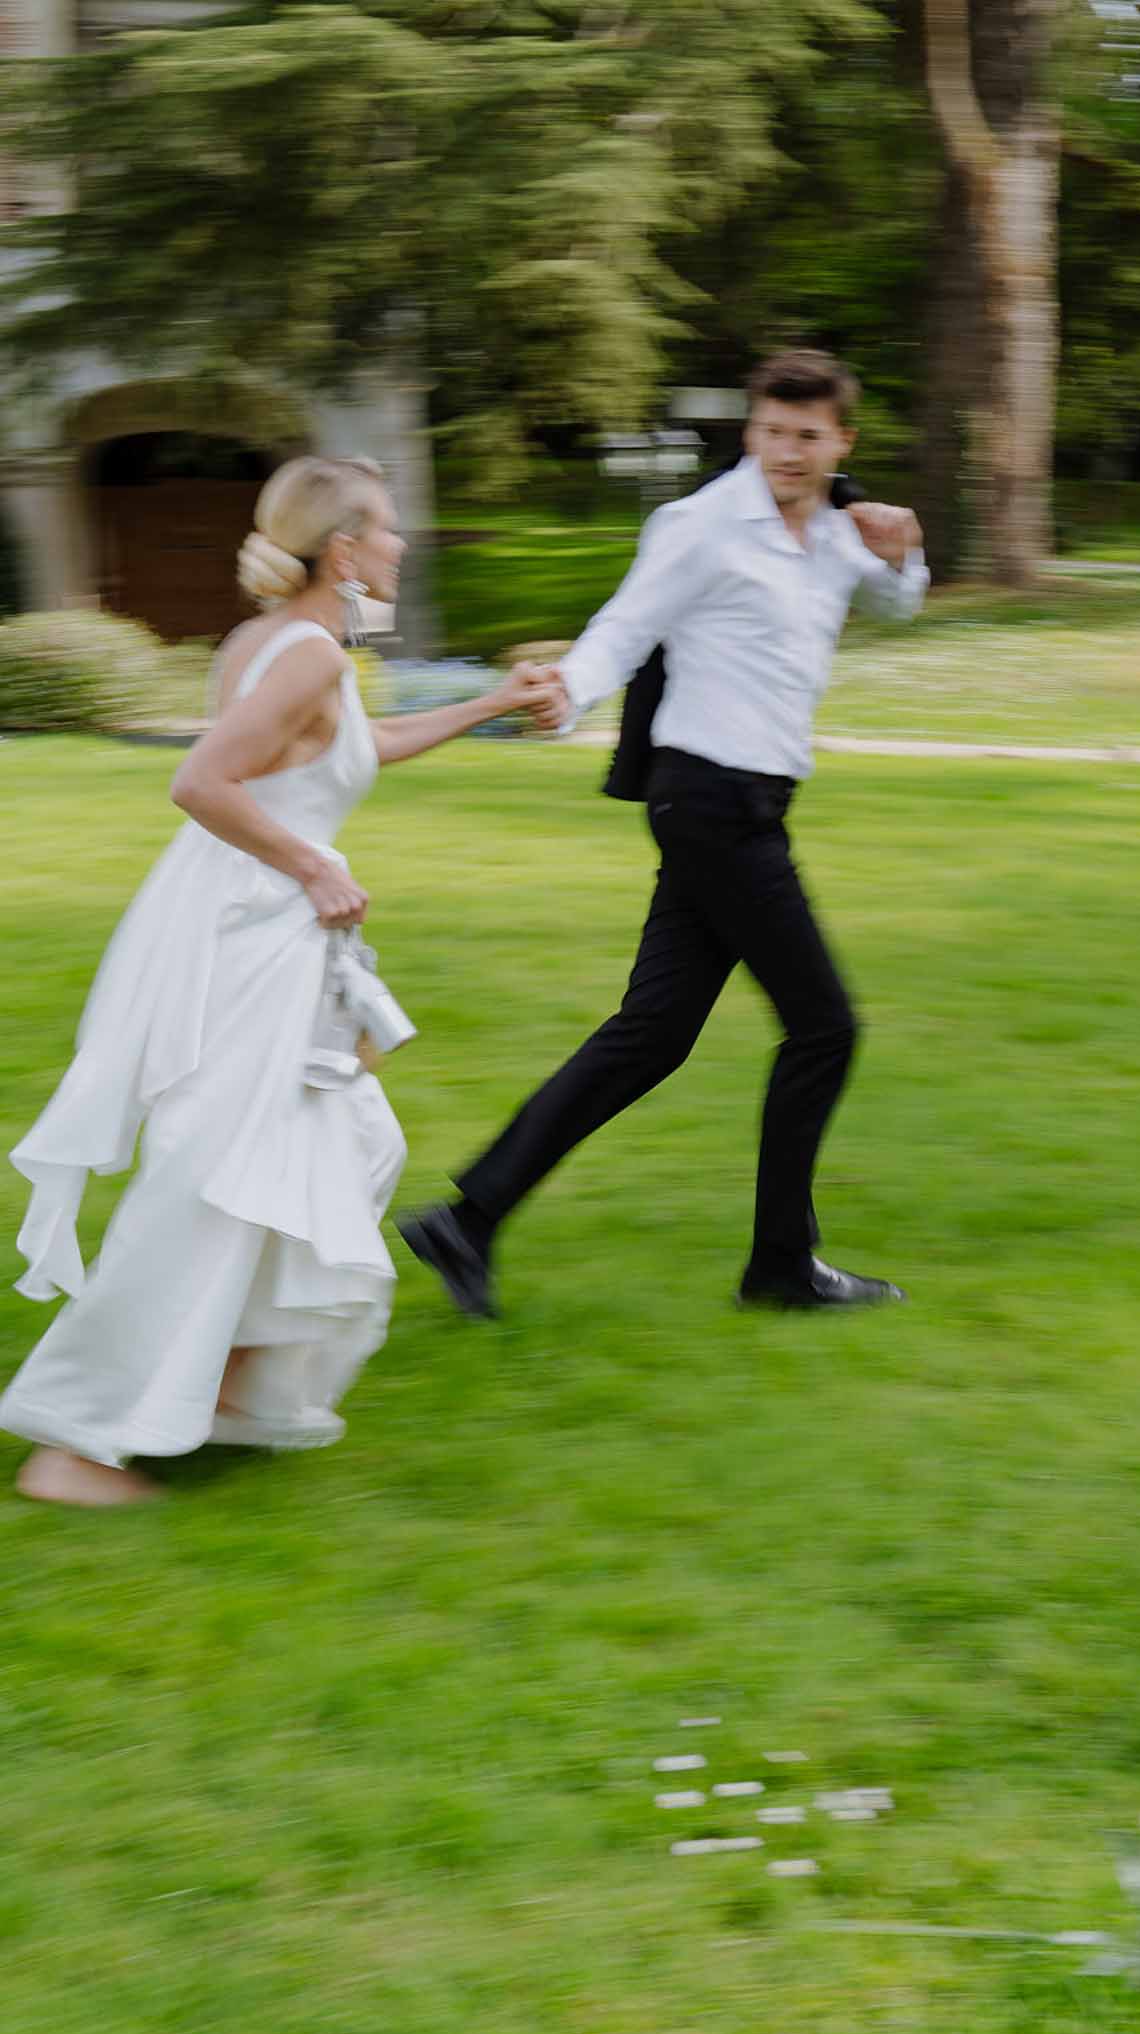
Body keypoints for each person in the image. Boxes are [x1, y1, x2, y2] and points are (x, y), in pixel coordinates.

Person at [3, 454, 554, 1506]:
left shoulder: (276, 644)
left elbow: (349, 748)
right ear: (343, 550)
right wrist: (313, 865)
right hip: (257, 947)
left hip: (265, 941)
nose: (399, 543)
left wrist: (489, 702)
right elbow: (201, 780)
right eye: (385, 527)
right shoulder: (307, 655)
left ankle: (221, 1387)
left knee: (343, 1150)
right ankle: (73, 1444)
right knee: (215, 1182)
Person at [400, 349, 929, 1318]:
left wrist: (902, 551)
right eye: (771, 431)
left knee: (652, 1036)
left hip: (747, 805)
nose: (787, 452)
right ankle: (781, 1265)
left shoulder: (836, 529)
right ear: (751, 430)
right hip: (710, 801)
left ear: (839, 440)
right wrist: (566, 691)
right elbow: (624, 627)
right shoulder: (700, 524)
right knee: (825, 1027)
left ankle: (466, 1221)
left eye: (807, 436)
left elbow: (894, 603)